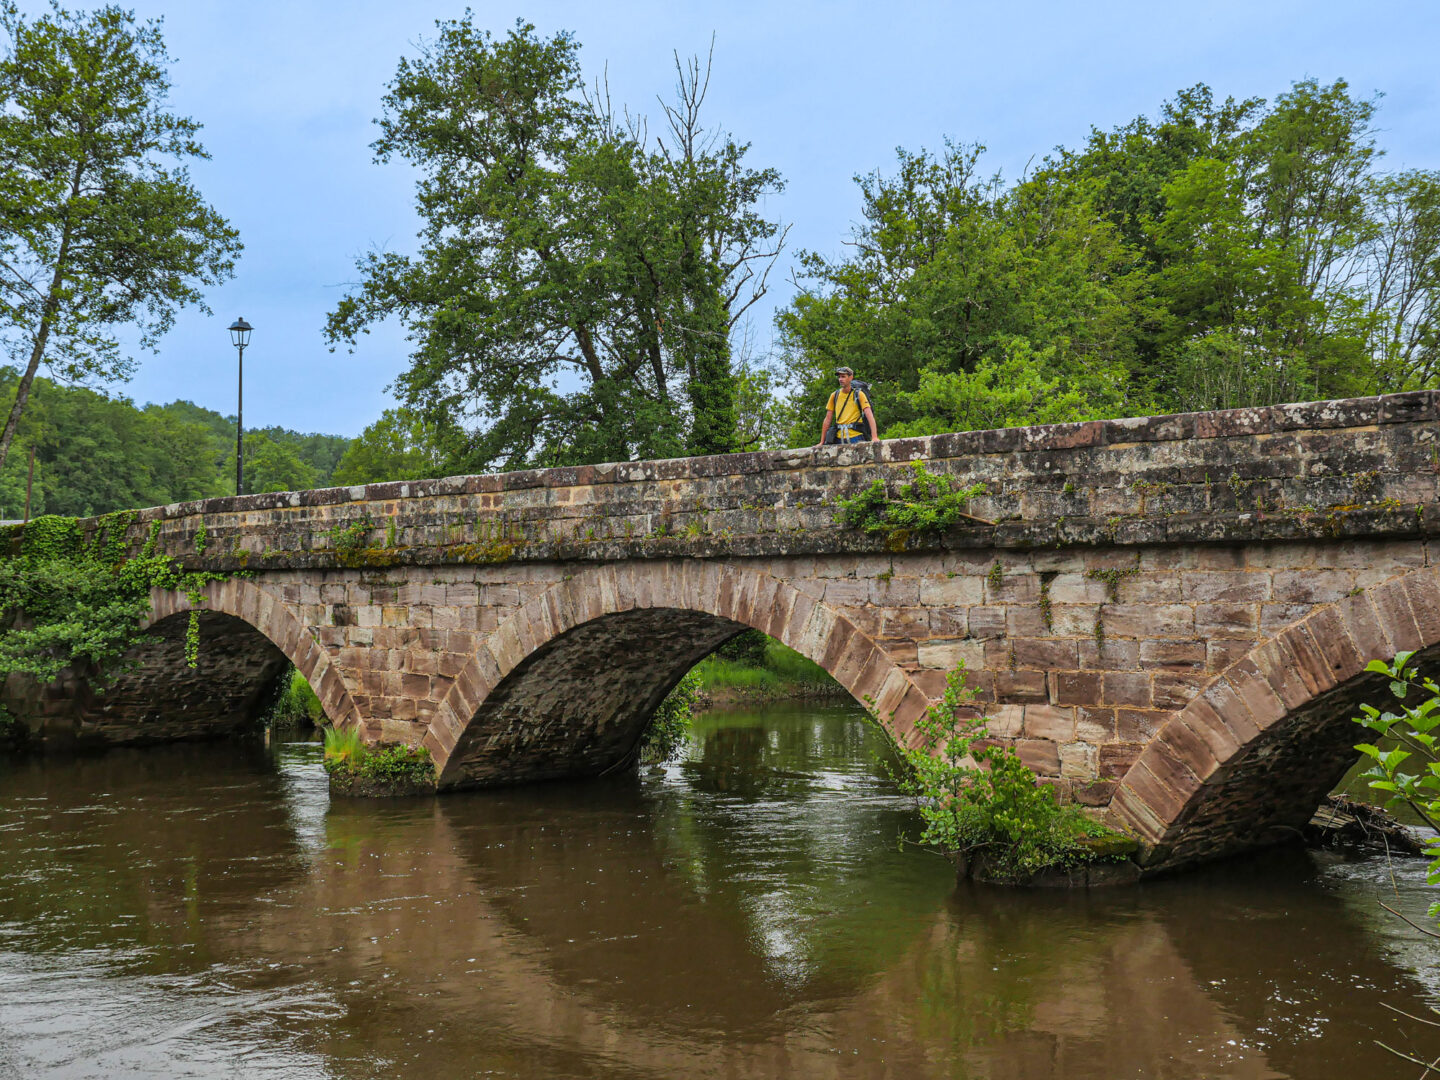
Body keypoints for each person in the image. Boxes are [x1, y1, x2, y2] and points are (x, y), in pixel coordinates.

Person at [817, 367, 876, 445]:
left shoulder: (859, 394)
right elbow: (828, 419)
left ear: (851, 377)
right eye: (839, 377)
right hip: (838, 438)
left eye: (843, 376)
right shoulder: (834, 395)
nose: (840, 379)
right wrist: (822, 441)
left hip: (856, 436)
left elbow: (869, 415)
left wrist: (874, 437)